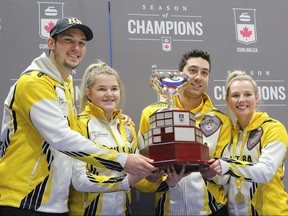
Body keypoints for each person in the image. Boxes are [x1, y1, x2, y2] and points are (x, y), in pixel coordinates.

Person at [0, 17, 155, 216]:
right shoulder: (35, 82)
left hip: (54, 203)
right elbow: (62, 138)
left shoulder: (64, 86)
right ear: (51, 44)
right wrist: (123, 160)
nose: (76, 47)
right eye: (68, 40)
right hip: (23, 200)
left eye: (81, 43)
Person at [68, 62, 186, 215]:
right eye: (102, 89)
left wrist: (161, 180)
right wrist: (125, 182)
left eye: (114, 89)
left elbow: (139, 181)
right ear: (88, 93)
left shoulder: (127, 126)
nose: (109, 94)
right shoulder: (79, 124)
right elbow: (80, 181)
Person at [138, 49, 233, 215]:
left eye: (205, 72)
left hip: (212, 210)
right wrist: (154, 178)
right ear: (180, 75)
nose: (198, 77)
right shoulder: (151, 114)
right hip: (168, 210)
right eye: (193, 70)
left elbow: (227, 174)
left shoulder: (221, 121)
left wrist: (214, 173)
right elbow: (141, 172)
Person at [203, 70, 288, 215]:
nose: (241, 99)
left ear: (257, 96)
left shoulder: (273, 128)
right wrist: (212, 173)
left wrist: (228, 165)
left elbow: (265, 172)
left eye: (247, 94)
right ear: (228, 100)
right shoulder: (230, 133)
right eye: (235, 95)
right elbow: (225, 178)